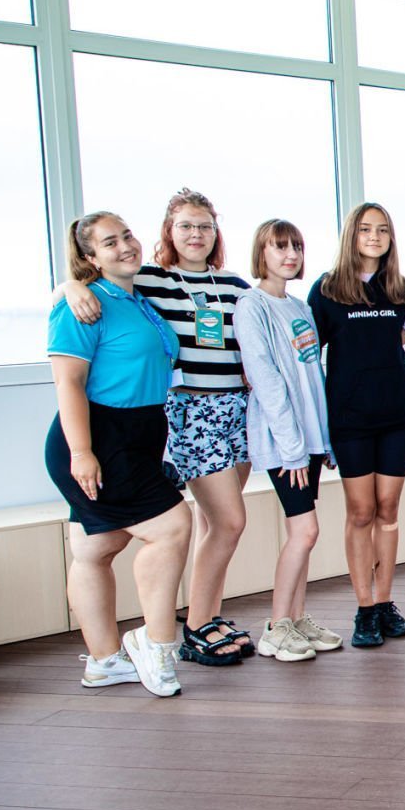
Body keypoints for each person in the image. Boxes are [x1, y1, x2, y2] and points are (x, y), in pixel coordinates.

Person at [58, 188, 255, 666]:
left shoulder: (234, 286)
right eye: (185, 225)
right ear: (169, 231)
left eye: (205, 226)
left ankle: (205, 616)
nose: (196, 234)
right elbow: (93, 288)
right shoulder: (149, 279)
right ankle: (197, 625)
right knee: (229, 522)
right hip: (191, 414)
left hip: (237, 411)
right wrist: (69, 286)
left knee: (215, 524)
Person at [47, 212, 191, 697]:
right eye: (110, 242)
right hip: (100, 437)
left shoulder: (135, 297)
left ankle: (105, 662)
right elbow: (68, 383)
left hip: (139, 433)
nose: (126, 245)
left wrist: (67, 284)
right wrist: (82, 452)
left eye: (127, 235)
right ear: (91, 257)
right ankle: (156, 642)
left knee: (95, 548)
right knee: (172, 526)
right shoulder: (84, 305)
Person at [309, 202, 405, 648]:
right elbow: (307, 355)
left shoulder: (402, 289)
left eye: (383, 229)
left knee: (388, 510)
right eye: (366, 229)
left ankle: (386, 602)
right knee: (360, 512)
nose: (375, 236)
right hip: (350, 419)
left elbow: (401, 338)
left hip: (397, 415)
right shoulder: (327, 290)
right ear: (351, 235)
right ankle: (365, 608)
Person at [234, 220, 339, 662]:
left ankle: (296, 619)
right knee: (305, 530)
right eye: (280, 247)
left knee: (304, 533)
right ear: (261, 253)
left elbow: (313, 376)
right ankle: (277, 627)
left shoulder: (299, 307)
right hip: (285, 443)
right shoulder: (251, 306)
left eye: (296, 246)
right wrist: (294, 448)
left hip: (309, 439)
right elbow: (265, 380)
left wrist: (324, 441)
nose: (290, 255)